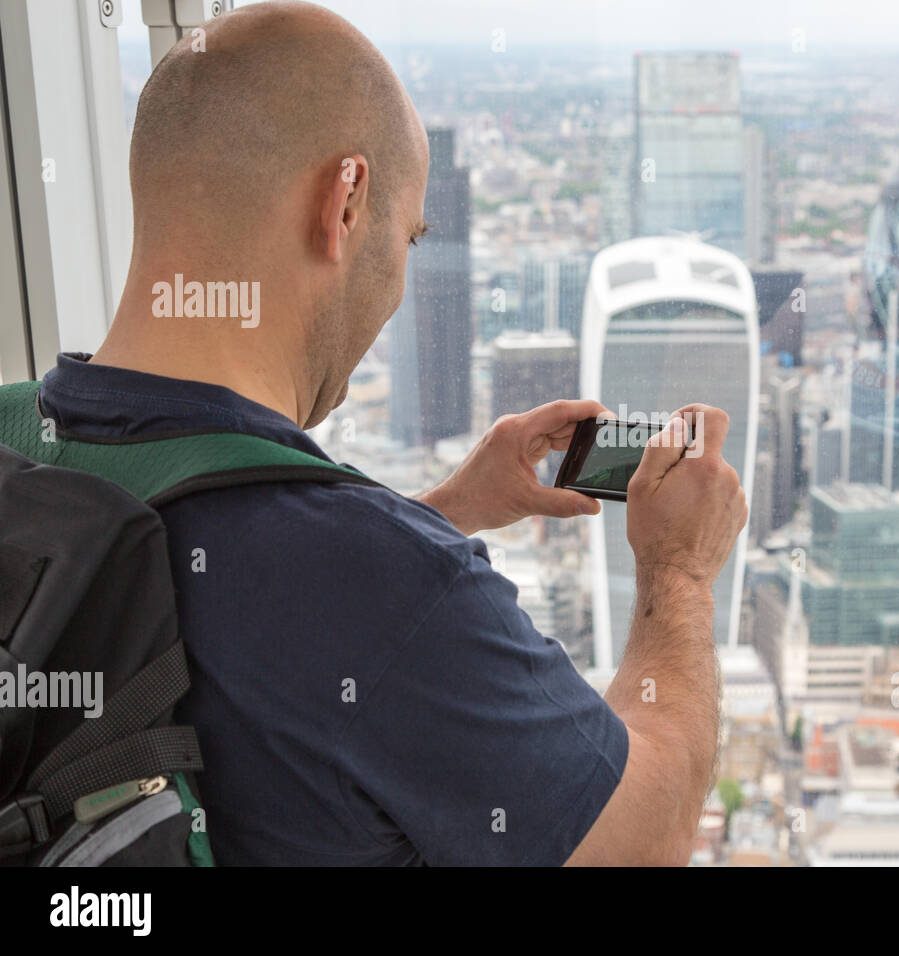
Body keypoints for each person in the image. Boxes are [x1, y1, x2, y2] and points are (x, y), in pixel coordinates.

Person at [42, 0, 747, 864]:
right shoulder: (392, 589)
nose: (402, 278)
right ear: (344, 204)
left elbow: (226, 582)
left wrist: (445, 510)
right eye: (409, 237)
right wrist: (678, 572)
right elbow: (648, 836)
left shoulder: (15, 439)